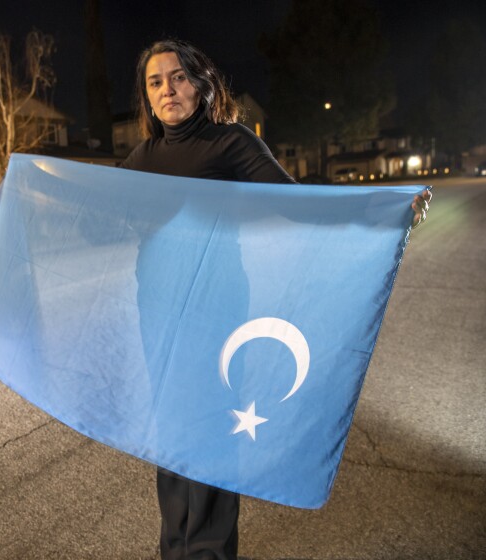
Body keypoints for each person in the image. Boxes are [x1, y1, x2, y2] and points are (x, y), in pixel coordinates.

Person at [119, 39, 431, 560]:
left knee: (213, 435)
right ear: (147, 98)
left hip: (215, 314)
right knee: (171, 438)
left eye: (177, 77)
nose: (167, 89)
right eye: (155, 82)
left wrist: (386, 208)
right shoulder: (142, 158)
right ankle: (175, 548)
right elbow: (104, 213)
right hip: (157, 315)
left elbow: (296, 201)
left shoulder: (229, 143)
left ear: (201, 84)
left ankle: (210, 552)